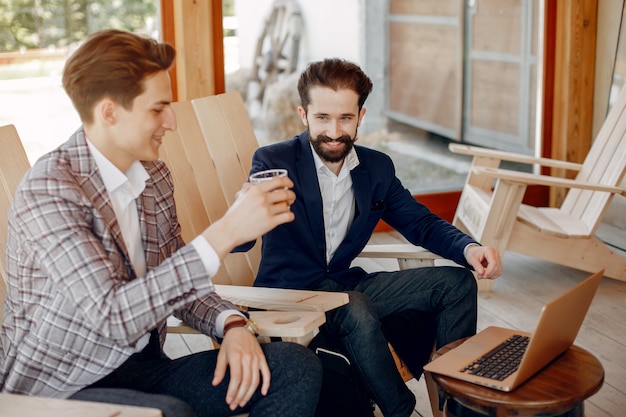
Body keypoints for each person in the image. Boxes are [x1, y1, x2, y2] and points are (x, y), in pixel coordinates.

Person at [0, 29, 322, 417]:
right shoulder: (51, 191)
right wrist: (225, 232)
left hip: (143, 368)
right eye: (157, 108)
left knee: (293, 368)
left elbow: (177, 280)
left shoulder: (154, 178)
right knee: (170, 413)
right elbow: (112, 317)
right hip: (60, 386)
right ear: (109, 111)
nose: (171, 120)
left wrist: (233, 324)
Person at [242, 58, 502, 417]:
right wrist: (245, 212)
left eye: (345, 118)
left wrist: (469, 248)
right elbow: (240, 240)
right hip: (289, 295)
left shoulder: (377, 168)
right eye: (322, 118)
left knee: (456, 283)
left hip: (345, 285)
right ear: (304, 115)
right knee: (356, 307)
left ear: (360, 117)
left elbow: (421, 224)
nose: (334, 131)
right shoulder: (275, 160)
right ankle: (402, 411)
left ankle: (455, 408)